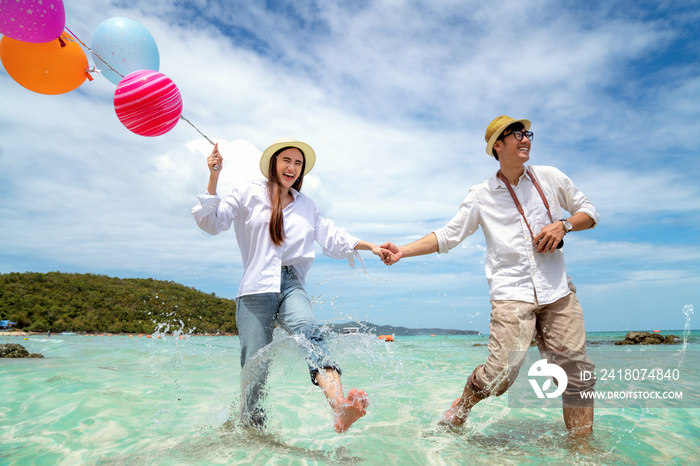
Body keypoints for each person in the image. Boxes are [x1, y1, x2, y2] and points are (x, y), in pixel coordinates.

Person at [380, 116, 598, 436]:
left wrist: (563, 224)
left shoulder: (550, 177)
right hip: (511, 294)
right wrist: (401, 251)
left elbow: (589, 213)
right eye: (517, 135)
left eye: (528, 134)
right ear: (498, 145)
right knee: (499, 377)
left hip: (557, 290)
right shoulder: (481, 194)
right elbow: (448, 236)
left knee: (577, 374)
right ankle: (461, 408)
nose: (526, 140)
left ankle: (583, 453)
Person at [192, 137, 377, 433]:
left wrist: (371, 246)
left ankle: (340, 407)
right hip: (255, 288)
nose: (292, 167)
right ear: (273, 163)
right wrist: (214, 176)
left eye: (298, 163)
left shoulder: (307, 206)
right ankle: (253, 431)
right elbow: (212, 222)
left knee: (311, 335)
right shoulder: (248, 193)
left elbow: (332, 236)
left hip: (291, 284)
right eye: (286, 160)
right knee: (255, 369)